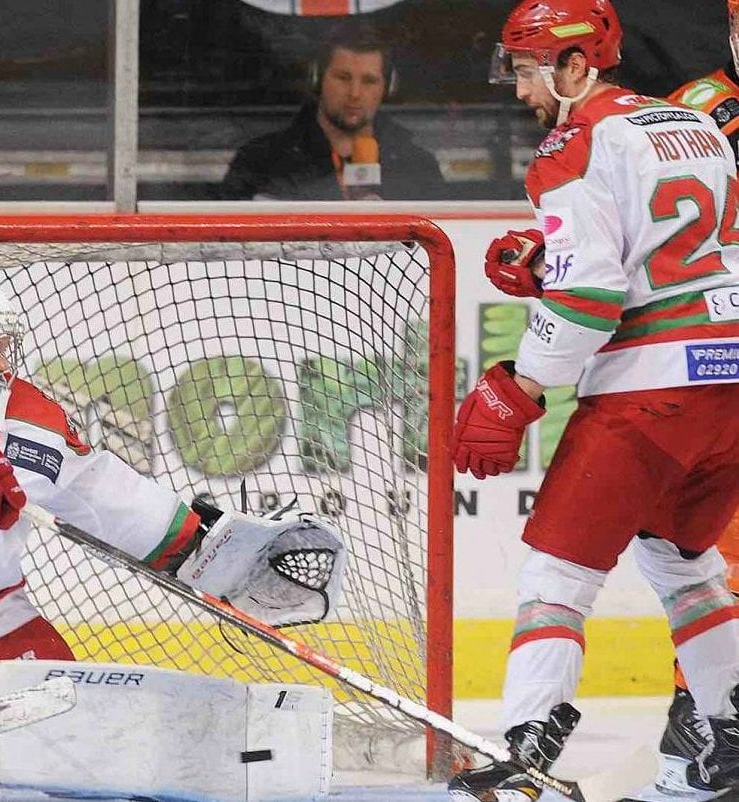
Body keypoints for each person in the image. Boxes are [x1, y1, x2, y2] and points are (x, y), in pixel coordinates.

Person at [0, 271, 346, 766]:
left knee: (78, 743)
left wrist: (216, 556)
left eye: (4, 346)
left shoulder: (31, 422)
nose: (2, 363)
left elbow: (106, 497)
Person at [448, 0, 739, 799]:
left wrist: (520, 385)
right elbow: (677, 248)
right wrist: (549, 257)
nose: (520, 90)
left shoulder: (571, 145)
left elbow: (590, 299)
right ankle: (731, 731)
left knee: (555, 572)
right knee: (682, 561)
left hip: (653, 391)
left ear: (576, 65)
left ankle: (524, 756)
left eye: (528, 70)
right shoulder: (693, 123)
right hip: (730, 381)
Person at [219, 23, 446, 201]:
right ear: (317, 79)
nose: (355, 93)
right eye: (343, 78)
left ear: (388, 87)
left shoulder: (418, 166)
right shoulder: (260, 163)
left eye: (369, 81)